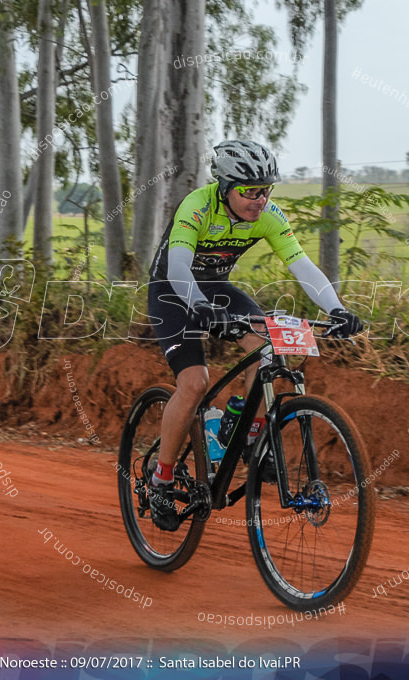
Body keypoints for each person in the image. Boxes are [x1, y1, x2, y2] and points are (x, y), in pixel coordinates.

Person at [145, 140, 362, 531]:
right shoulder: (197, 205)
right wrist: (197, 303)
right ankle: (160, 479)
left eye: (265, 190)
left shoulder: (268, 215)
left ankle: (242, 429)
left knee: (269, 351)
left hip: (217, 290)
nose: (259, 200)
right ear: (225, 186)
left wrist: (337, 309)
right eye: (249, 191)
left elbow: (303, 267)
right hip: (173, 292)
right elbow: (178, 265)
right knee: (194, 383)